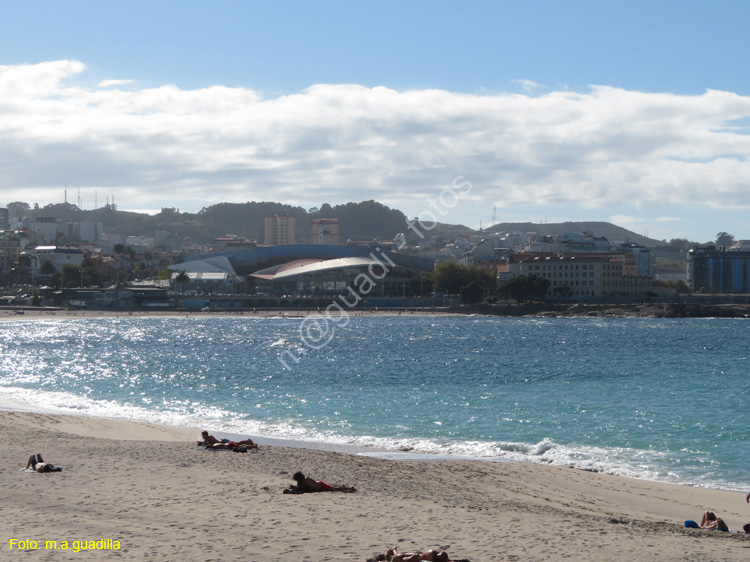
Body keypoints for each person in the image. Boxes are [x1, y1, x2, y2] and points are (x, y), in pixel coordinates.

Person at [290, 471, 356, 493]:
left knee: (333, 489)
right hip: (319, 487)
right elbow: (300, 487)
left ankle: (350, 488)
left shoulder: (307, 479)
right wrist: (293, 487)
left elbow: (309, 487)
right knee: (332, 487)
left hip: (321, 485)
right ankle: (342, 486)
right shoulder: (301, 481)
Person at [386, 547, 453, 562]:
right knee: (398, 555)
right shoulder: (431, 554)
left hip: (419, 556)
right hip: (418, 557)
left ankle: (392, 551)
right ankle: (392, 550)